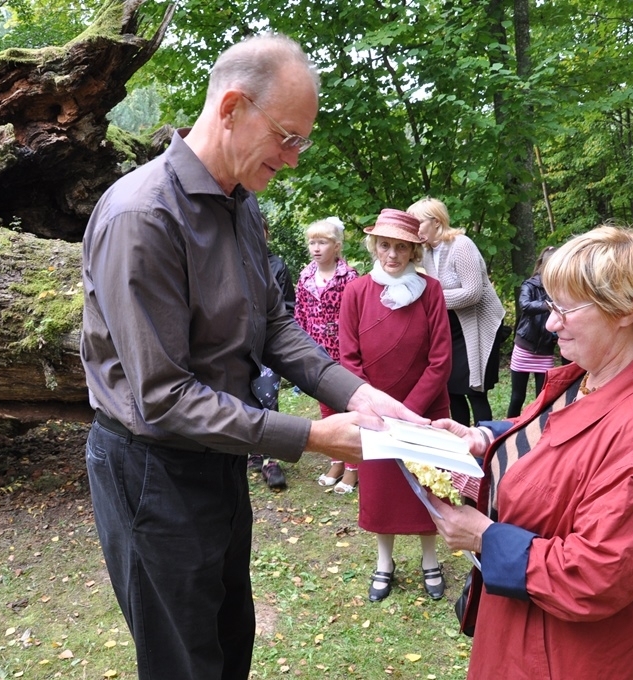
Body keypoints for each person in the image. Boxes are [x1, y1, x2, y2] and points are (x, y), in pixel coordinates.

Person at [80, 33, 425, 680]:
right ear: (233, 106)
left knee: (229, 638)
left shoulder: (242, 204)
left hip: (219, 457)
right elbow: (163, 397)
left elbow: (274, 326)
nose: (293, 160)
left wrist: (358, 395)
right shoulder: (143, 217)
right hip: (152, 470)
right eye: (288, 138)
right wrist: (314, 437)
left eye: (303, 142)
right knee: (184, 660)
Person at [427, 225, 633, 679]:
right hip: (518, 629)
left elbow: (594, 575)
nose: (551, 323)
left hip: (556, 657)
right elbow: (549, 436)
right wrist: (484, 437)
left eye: (566, 309)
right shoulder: (583, 379)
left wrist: (483, 539)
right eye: (552, 305)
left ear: (627, 310)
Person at [338, 208, 453, 602]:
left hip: (426, 408)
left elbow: (441, 359)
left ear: (413, 250)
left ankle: (429, 558)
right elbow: (348, 358)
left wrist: (412, 412)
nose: (392, 254)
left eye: (401, 247)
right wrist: (378, 410)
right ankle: (384, 562)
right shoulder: (355, 292)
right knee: (382, 488)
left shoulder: (432, 291)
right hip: (374, 411)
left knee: (428, 482)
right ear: (374, 245)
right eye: (385, 245)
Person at [407, 197, 505, 426]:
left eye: (418, 223)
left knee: (474, 390)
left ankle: (485, 446)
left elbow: (473, 293)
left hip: (479, 325)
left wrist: (430, 298)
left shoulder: (461, 245)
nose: (415, 229)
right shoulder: (429, 252)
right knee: (451, 388)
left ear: (436, 222)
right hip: (452, 325)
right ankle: (462, 445)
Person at [294, 216, 360, 493]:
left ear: (336, 246)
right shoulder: (305, 276)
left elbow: (357, 317)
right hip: (316, 353)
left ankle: (354, 468)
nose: (316, 248)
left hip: (344, 352)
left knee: (347, 408)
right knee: (326, 409)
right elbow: (299, 316)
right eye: (312, 242)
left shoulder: (350, 277)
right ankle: (337, 460)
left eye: (322, 242)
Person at [247, 216, 296, 490]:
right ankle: (253, 452)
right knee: (243, 397)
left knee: (268, 397)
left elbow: (287, 307)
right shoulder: (230, 260)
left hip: (267, 344)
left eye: (260, 231)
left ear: (266, 234)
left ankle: (271, 460)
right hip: (237, 346)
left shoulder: (276, 265)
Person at [506, 246, 558, 418]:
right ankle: (508, 429)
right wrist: (546, 305)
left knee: (541, 398)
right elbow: (525, 305)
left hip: (545, 350)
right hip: (524, 347)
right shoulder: (530, 285)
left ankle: (536, 432)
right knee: (517, 397)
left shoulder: (559, 288)